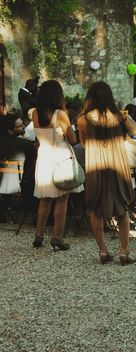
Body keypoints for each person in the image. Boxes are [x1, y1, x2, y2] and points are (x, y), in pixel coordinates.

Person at [76, 82, 136, 264]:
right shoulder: (118, 116)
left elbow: (83, 143)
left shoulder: (83, 119)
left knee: (95, 207)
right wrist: (126, 117)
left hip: (95, 165)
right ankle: (123, 251)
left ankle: (103, 251)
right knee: (122, 207)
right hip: (117, 164)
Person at [30, 80, 83, 251]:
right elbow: (73, 139)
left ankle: (38, 235)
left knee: (44, 199)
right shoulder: (60, 114)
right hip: (59, 156)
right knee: (62, 198)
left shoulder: (35, 114)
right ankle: (57, 237)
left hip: (44, 156)